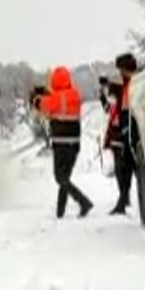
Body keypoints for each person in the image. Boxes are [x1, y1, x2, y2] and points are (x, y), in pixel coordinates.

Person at [38, 66, 93, 218]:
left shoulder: (55, 99)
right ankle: (60, 212)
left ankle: (83, 202)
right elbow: (62, 103)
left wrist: (37, 97)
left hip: (61, 144)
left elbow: (42, 105)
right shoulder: (75, 95)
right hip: (75, 144)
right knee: (65, 179)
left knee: (59, 177)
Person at [103, 53, 139, 214]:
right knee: (127, 167)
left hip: (122, 131)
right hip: (127, 129)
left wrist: (104, 95)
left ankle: (124, 200)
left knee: (124, 168)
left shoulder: (121, 86)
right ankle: (124, 200)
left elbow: (112, 110)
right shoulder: (132, 83)